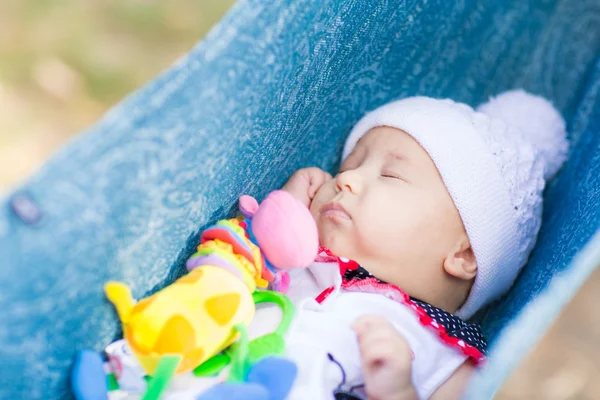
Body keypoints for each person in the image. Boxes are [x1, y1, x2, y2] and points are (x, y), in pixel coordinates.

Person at [279, 90, 569, 399]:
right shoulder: (298, 264)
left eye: (390, 175)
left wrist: (399, 393)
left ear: (464, 254)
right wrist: (284, 219)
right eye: (345, 167)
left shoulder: (444, 356)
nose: (346, 178)